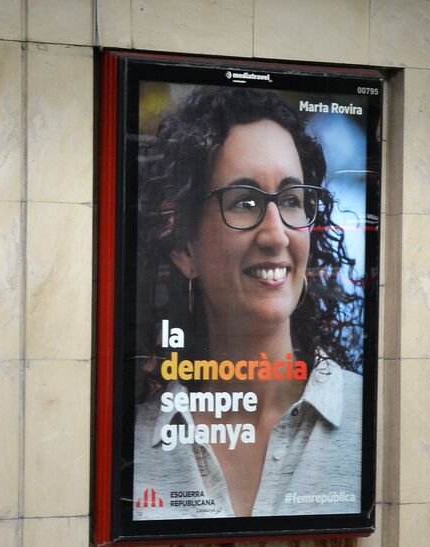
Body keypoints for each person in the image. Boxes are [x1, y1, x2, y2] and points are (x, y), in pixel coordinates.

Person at [131, 87, 364, 519]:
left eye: (291, 201)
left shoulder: (371, 418)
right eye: (244, 202)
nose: (276, 235)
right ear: (183, 248)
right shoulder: (137, 440)